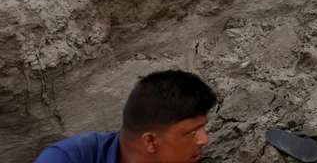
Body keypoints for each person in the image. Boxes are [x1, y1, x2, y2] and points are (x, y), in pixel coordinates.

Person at [34, 69, 217, 163]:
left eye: (203, 127)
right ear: (150, 142)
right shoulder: (70, 158)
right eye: (191, 133)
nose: (204, 140)